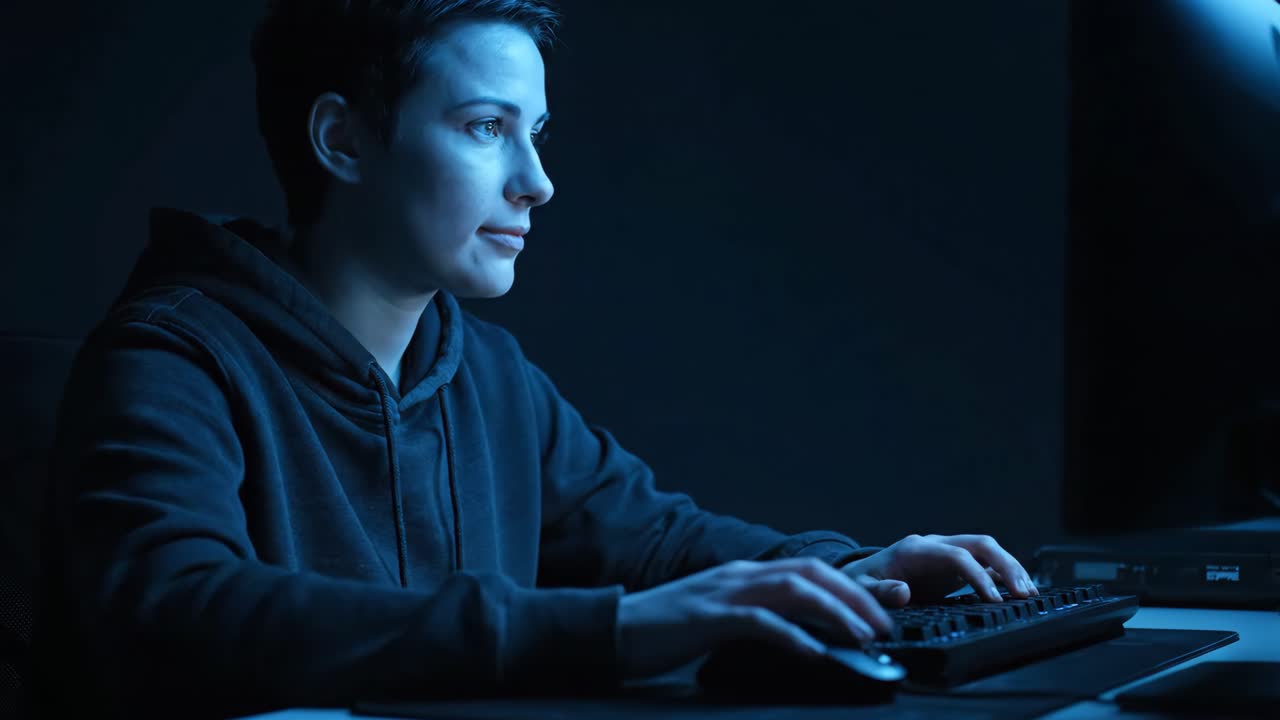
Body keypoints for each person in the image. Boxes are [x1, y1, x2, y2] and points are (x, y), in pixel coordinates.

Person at [34, 1, 1037, 717]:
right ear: (341, 140)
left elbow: (655, 545)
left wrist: (851, 571)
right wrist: (609, 630)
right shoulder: (173, 354)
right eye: (485, 129)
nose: (537, 182)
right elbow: (178, 613)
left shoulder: (487, 374)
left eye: (537, 134)